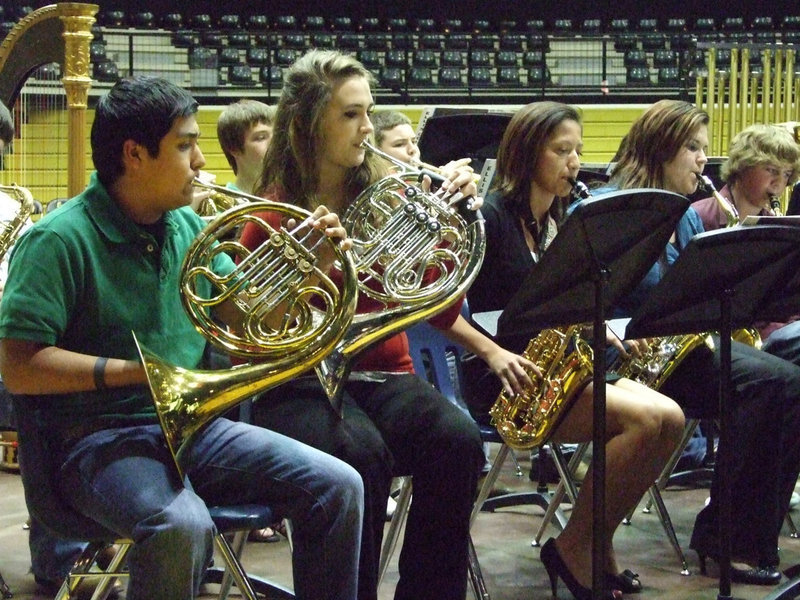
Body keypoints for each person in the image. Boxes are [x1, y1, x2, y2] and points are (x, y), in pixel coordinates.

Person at [0, 75, 364, 600]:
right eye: (185, 145)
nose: (200, 161)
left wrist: (315, 264)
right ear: (134, 155)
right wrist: (137, 374)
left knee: (339, 485)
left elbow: (248, 320)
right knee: (180, 525)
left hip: (192, 433)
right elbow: (18, 367)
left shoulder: (187, 228)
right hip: (93, 441)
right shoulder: (57, 239)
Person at [240, 49, 501, 600]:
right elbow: (250, 328)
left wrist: (451, 218)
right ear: (309, 125)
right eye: (351, 114)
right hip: (296, 384)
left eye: (368, 111)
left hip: (383, 374)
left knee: (457, 440)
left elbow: (431, 293)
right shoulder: (272, 211)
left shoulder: (390, 194)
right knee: (358, 457)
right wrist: (309, 263)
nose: (366, 127)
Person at [463, 101, 685, 599]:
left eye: (578, 151)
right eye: (562, 150)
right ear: (526, 154)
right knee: (645, 421)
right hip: (506, 379)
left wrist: (595, 325)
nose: (575, 163)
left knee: (670, 419)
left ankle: (591, 544)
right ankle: (575, 549)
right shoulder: (490, 218)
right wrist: (492, 353)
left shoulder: (557, 220)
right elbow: (444, 309)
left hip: (557, 369)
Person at [602, 99, 800, 586]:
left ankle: (749, 536)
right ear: (660, 148)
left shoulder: (685, 217)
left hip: (680, 351)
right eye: (692, 147)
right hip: (627, 358)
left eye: (703, 148)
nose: (702, 159)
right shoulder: (614, 208)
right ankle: (730, 540)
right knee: (770, 383)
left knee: (787, 382)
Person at [691, 123, 800, 365]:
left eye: (786, 174)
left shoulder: (777, 226)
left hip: (775, 334)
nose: (779, 183)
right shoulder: (700, 217)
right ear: (743, 166)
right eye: (771, 170)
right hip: (732, 342)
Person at [216, 98, 276, 195]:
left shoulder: (289, 198)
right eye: (261, 137)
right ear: (234, 149)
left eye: (276, 135)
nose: (274, 143)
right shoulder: (224, 204)